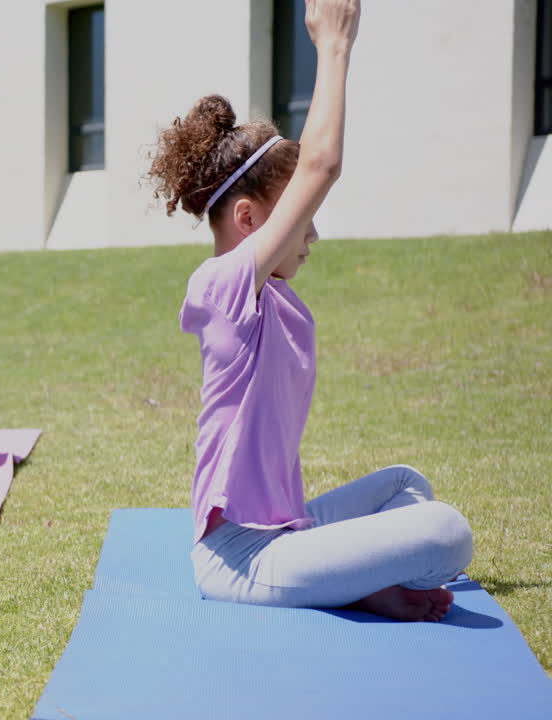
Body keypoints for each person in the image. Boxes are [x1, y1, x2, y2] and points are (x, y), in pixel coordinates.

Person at [147, 0, 472, 621]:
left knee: (407, 486)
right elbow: (322, 163)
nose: (312, 234)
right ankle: (349, 581)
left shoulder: (270, 297)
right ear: (248, 220)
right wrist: (332, 46)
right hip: (241, 559)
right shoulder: (221, 286)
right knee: (446, 531)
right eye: (302, 217)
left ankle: (350, 581)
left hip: (287, 532)